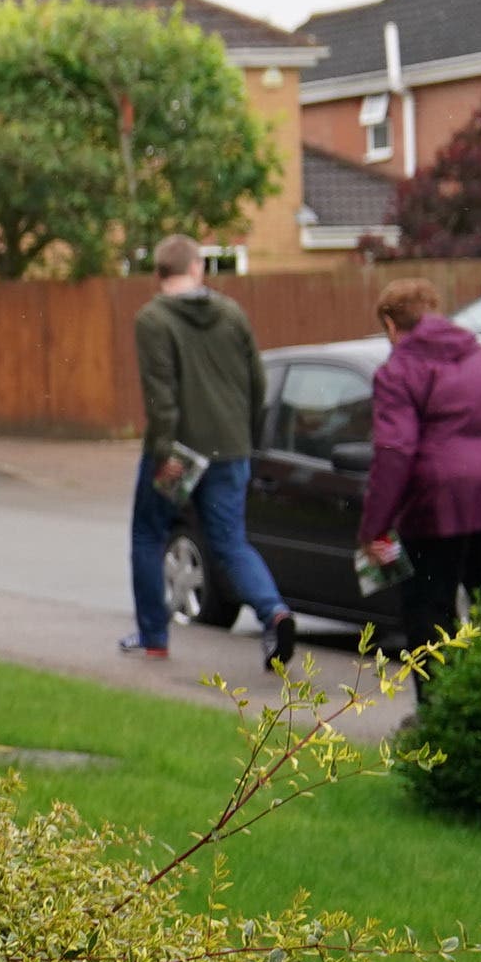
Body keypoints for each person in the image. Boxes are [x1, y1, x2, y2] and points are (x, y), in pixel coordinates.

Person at [358, 277, 481, 660]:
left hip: (439, 507)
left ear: (392, 326)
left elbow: (395, 452)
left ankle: (442, 711)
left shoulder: (398, 372)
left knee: (430, 608)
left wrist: (374, 529)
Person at [127, 236, 296, 669]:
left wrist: (164, 451)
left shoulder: (152, 320)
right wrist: (245, 437)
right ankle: (273, 611)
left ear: (159, 273)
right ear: (197, 268)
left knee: (149, 535)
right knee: (230, 541)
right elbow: (258, 383)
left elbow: (161, 397)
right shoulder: (231, 312)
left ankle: (154, 638)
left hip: (178, 454)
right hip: (230, 448)